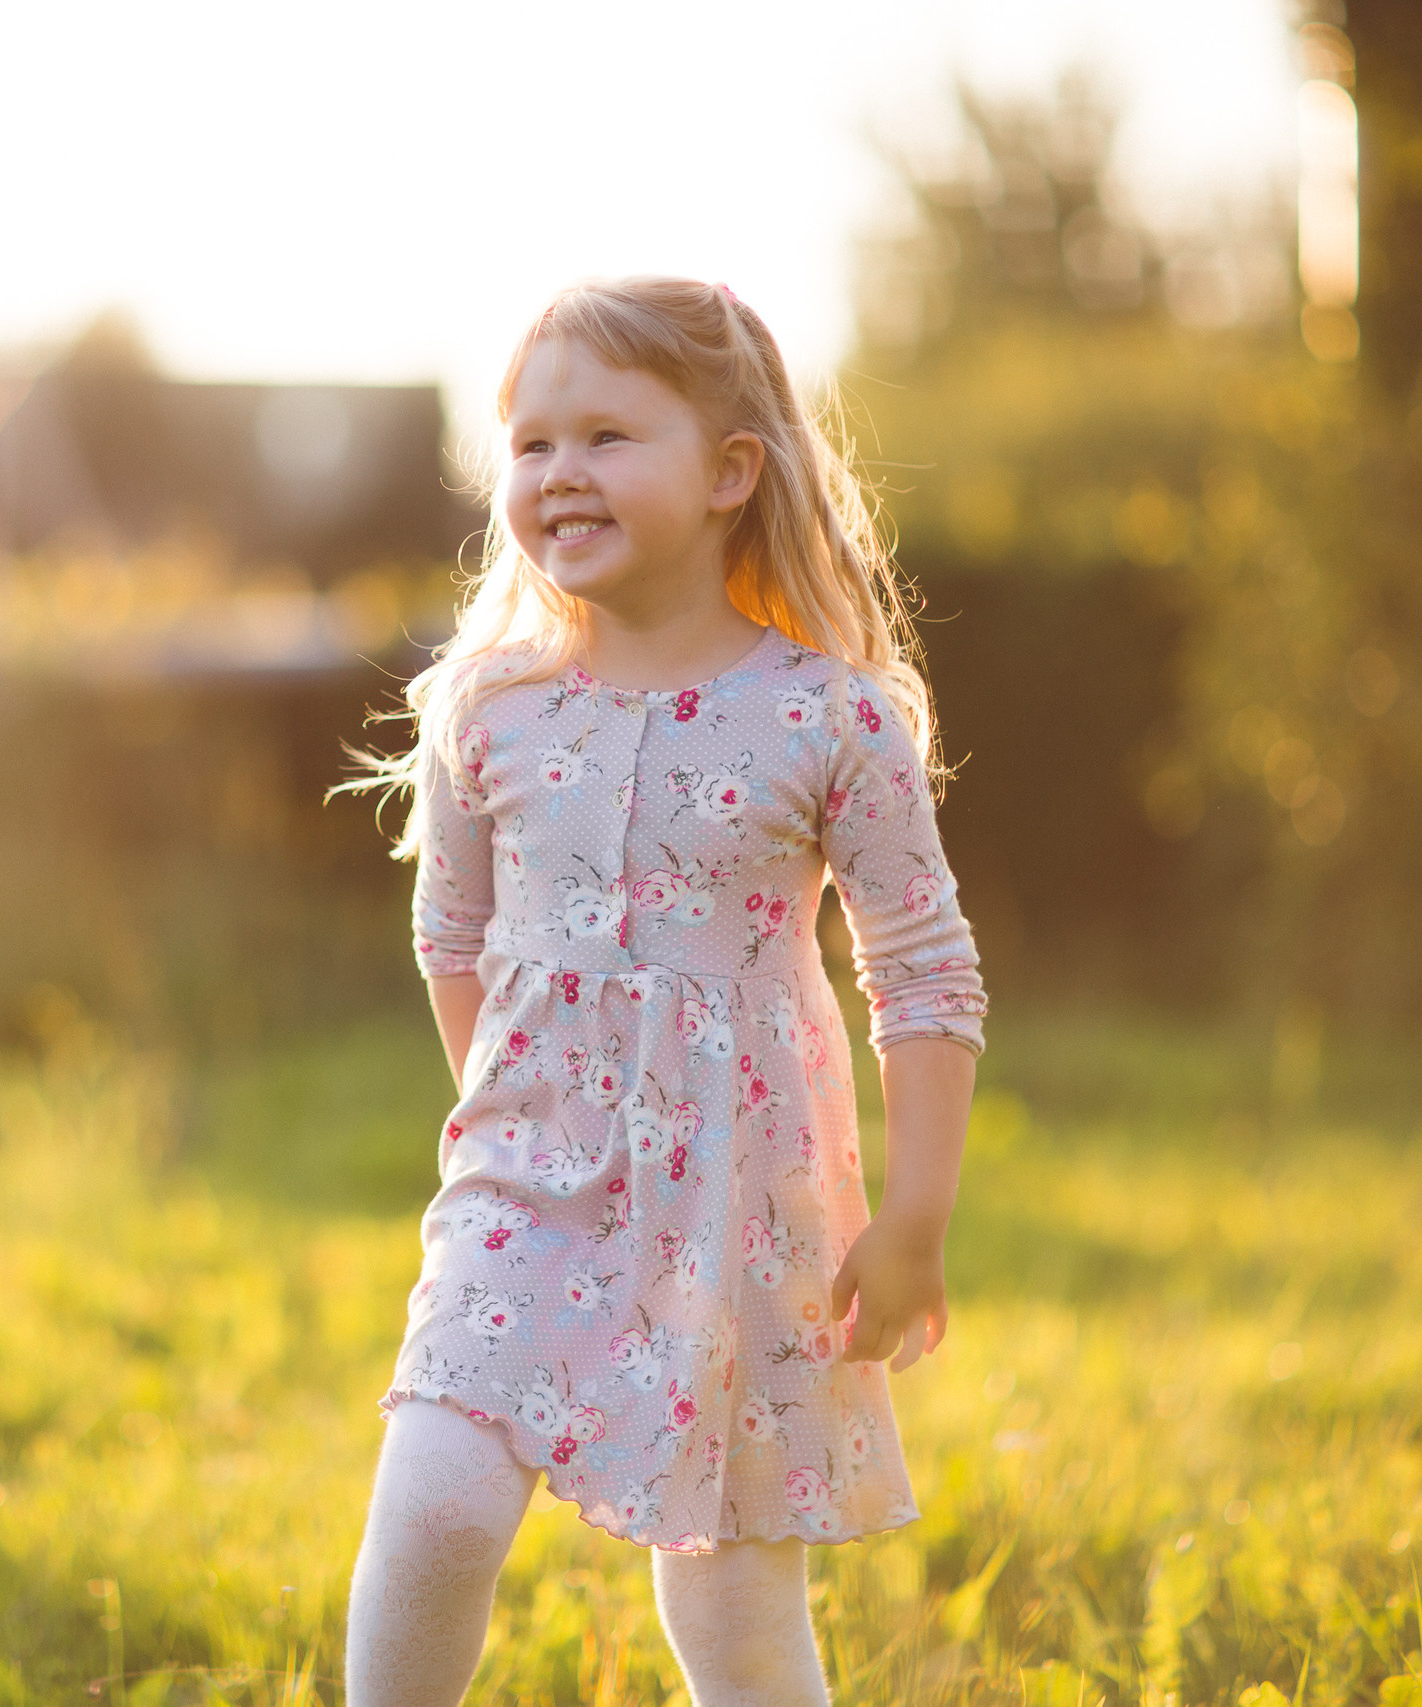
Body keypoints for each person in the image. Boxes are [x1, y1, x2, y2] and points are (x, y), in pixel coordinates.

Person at [340, 277, 987, 1707]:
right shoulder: (489, 705)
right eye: (529, 442)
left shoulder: (828, 716)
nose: (558, 471)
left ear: (729, 473)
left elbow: (924, 965)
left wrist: (916, 1217)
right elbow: (451, 931)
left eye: (607, 435)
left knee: (736, 1601)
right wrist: (516, 1124)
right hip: (522, 1182)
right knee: (438, 1503)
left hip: (747, 1211)